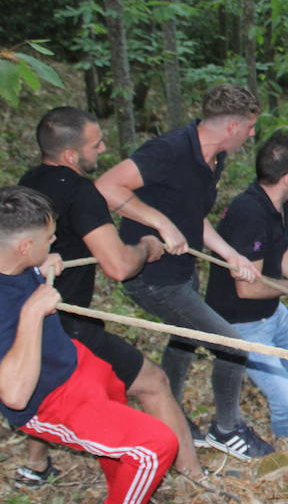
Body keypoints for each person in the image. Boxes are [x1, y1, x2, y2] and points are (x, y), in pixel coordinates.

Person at [0, 187, 177, 504]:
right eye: (48, 238)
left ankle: (128, 497)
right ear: (23, 246)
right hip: (49, 399)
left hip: (70, 361)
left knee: (118, 416)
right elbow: (14, 395)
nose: (54, 242)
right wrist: (32, 311)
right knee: (156, 445)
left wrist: (35, 265)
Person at [16, 107, 202, 484]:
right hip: (66, 325)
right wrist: (146, 247)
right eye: (95, 144)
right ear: (70, 154)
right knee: (154, 383)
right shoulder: (81, 191)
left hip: (29, 317)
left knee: (49, 382)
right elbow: (118, 265)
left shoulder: (28, 182)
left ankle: (35, 465)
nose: (102, 149)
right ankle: (195, 478)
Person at [96, 84, 269, 459]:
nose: (252, 133)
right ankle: (226, 429)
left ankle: (170, 416)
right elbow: (106, 186)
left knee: (184, 341)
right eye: (249, 126)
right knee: (232, 345)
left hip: (183, 269)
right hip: (152, 277)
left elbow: (193, 215)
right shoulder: (170, 150)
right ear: (231, 127)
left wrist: (229, 254)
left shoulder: (215, 159)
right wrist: (160, 223)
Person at [204, 132, 288, 443]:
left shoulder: (284, 203)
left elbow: (282, 251)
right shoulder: (248, 212)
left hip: (273, 314)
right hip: (242, 324)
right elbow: (247, 289)